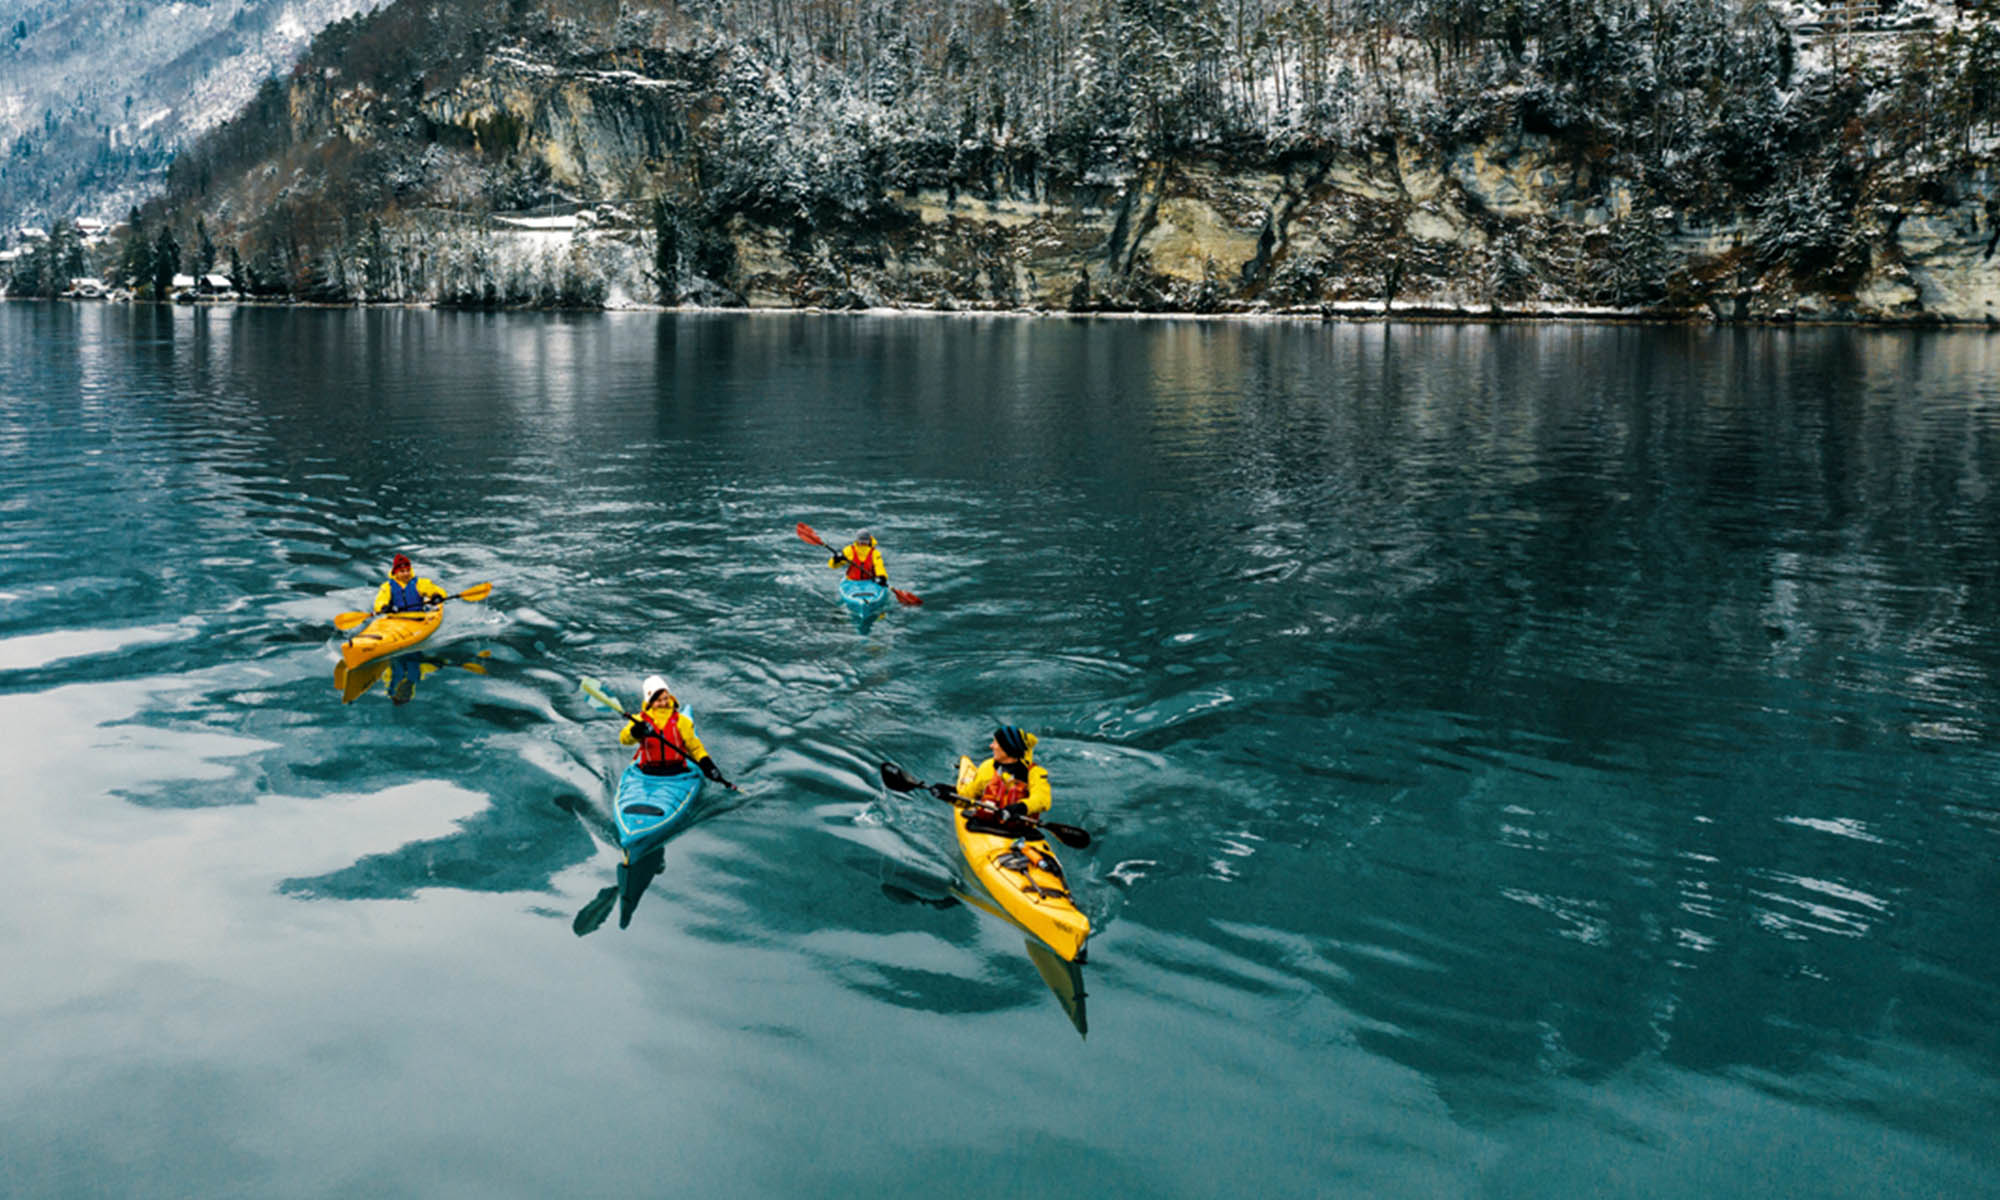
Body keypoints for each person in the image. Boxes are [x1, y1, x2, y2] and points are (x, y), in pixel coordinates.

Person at [620, 674, 733, 787]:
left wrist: (709, 766)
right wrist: (634, 732)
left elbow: (695, 748)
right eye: (658, 700)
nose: (664, 703)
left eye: (665, 698)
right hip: (648, 771)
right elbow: (624, 740)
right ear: (649, 702)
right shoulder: (639, 720)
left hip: (677, 771)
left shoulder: (681, 721)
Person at [933, 725, 1050, 822]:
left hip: (1020, 831)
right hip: (985, 826)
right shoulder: (988, 767)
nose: (991, 746)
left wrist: (1021, 807)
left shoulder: (1034, 773)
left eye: (995, 742)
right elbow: (968, 797)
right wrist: (947, 793)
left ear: (1007, 749)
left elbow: (1042, 800)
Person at [374, 554, 448, 613]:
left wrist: (436, 596)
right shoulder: (387, 586)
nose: (406, 573)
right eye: (402, 571)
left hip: (417, 617)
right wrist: (383, 607)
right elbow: (380, 601)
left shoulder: (419, 583)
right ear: (395, 573)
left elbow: (438, 591)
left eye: (408, 570)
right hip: (396, 618)